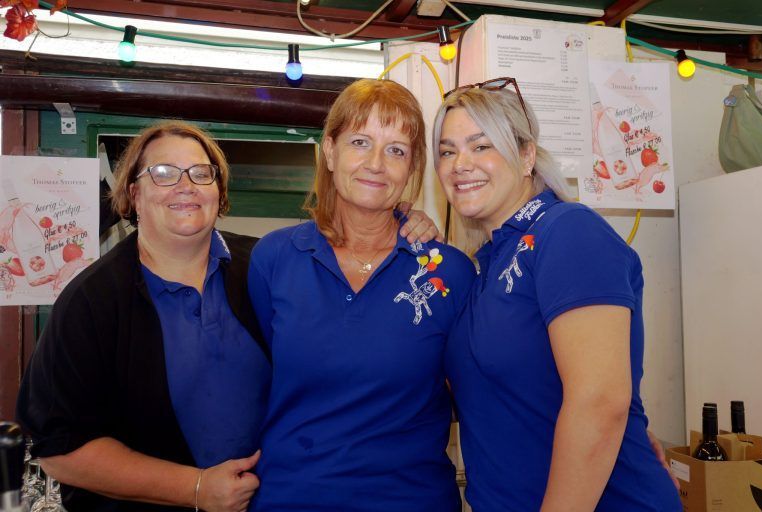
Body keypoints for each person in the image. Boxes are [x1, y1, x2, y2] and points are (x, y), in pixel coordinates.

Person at [15, 120, 439, 512]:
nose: (186, 186)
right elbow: (61, 450)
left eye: (202, 173)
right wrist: (196, 487)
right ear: (133, 194)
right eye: (163, 173)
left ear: (219, 192)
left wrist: (401, 222)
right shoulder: (92, 300)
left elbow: (348, 347)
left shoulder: (266, 264)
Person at [434, 78, 682, 511]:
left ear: (527, 155)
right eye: (448, 151)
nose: (460, 164)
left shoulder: (567, 230)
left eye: (481, 145)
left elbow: (600, 402)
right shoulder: (486, 264)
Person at [247, 79, 476, 511]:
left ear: (412, 169)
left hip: (410, 500)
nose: (376, 163)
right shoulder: (274, 258)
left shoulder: (449, 273)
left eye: (396, 150)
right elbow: (256, 382)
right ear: (330, 152)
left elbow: (485, 396)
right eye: (360, 142)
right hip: (291, 499)